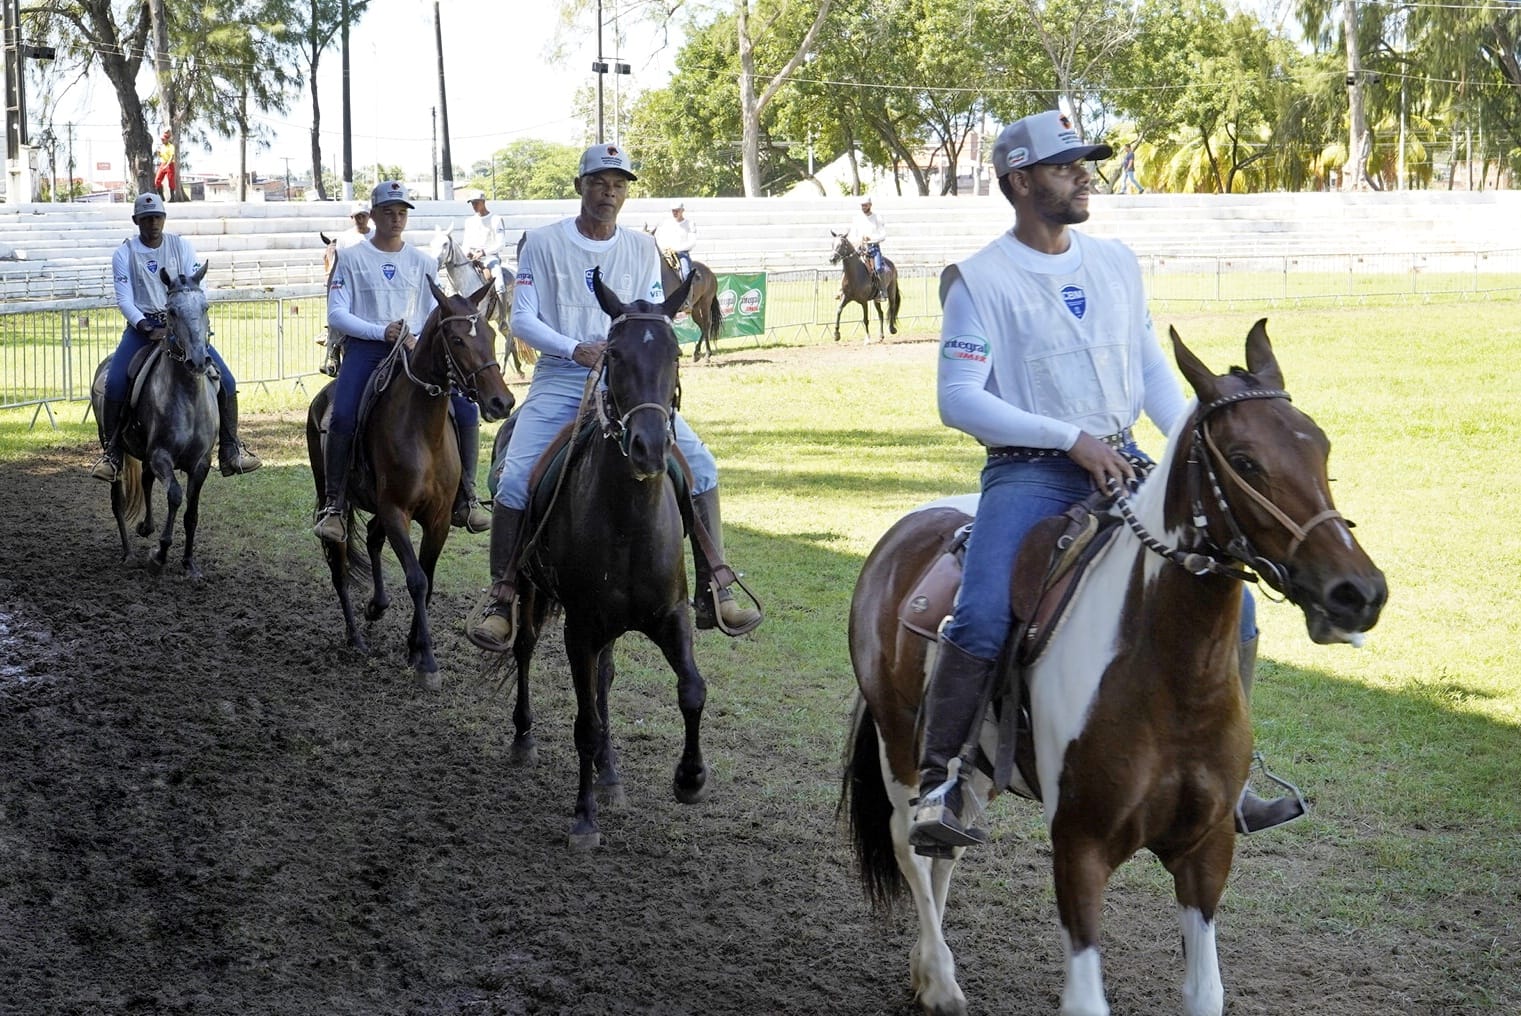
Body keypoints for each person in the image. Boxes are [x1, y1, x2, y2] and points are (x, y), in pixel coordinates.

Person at [908, 109, 1301, 853]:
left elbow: (1147, 367)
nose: (1083, 174)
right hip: (1030, 476)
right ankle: (942, 780)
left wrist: (1196, 441)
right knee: (986, 612)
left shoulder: (1115, 261)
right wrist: (1070, 439)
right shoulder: (978, 280)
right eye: (1063, 166)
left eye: (1082, 162)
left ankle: (1232, 772)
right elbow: (957, 399)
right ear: (1019, 182)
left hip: (1126, 463)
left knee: (1232, 599)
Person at [466, 143, 760, 651]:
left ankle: (716, 583)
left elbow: (647, 311)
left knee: (702, 468)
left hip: (623, 384)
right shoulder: (541, 242)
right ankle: (504, 595)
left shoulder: (640, 247)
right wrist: (573, 348)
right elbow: (522, 319)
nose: (610, 192)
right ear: (580, 186)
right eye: (600, 183)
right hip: (560, 378)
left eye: (619, 184)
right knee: (514, 477)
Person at [314, 180, 491, 540]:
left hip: (414, 350)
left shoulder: (423, 261)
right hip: (367, 349)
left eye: (401, 212)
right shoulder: (349, 258)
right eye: (388, 212)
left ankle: (467, 497)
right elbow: (337, 314)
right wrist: (381, 332)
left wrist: (416, 337)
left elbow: (431, 312)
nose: (396, 219)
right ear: (374, 215)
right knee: (343, 412)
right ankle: (334, 505)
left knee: (467, 409)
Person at [93, 192, 261, 483]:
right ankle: (112, 453)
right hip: (143, 329)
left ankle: (231, 448)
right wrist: (145, 326)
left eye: (157, 217)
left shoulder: (180, 245)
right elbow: (124, 299)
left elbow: (196, 287)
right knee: (116, 381)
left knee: (228, 381)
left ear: (164, 219)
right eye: (146, 219)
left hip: (180, 325)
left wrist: (185, 323)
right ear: (136, 221)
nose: (153, 223)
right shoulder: (124, 254)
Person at [319, 202, 375, 377]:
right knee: (338, 314)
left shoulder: (377, 236)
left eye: (363, 215)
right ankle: (332, 354)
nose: (360, 219)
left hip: (373, 286)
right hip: (351, 285)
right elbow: (340, 265)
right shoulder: (343, 239)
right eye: (357, 216)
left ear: (369, 216)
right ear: (352, 218)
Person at [461, 188, 511, 308]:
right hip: (473, 257)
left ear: (483, 202)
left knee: (499, 282)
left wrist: (484, 252)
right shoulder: (469, 221)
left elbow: (500, 243)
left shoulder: (495, 219)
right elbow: (466, 242)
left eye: (476, 202)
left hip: (490, 258)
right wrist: (466, 252)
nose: (473, 205)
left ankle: (503, 318)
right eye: (472, 203)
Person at [846, 195, 888, 296]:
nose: (863, 207)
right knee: (848, 265)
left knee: (878, 268)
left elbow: (883, 235)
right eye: (862, 205)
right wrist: (860, 239)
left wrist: (871, 238)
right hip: (860, 248)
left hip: (873, 248)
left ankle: (883, 291)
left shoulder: (877, 217)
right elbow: (852, 235)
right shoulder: (857, 218)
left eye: (865, 205)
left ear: (870, 205)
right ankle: (843, 289)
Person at [653, 201, 697, 280]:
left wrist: (676, 249)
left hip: (682, 254)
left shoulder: (689, 224)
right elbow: (660, 239)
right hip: (667, 254)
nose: (675, 213)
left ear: (682, 211)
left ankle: (687, 291)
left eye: (677, 210)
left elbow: (692, 242)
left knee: (685, 274)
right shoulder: (667, 223)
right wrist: (664, 248)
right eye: (673, 210)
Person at [154, 130, 177, 200]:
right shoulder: (162, 146)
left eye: (163, 139)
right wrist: (158, 153)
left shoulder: (171, 146)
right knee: (157, 180)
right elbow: (160, 156)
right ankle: (161, 197)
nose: (162, 140)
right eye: (161, 139)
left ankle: (172, 198)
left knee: (171, 181)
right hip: (162, 163)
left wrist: (167, 165)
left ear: (167, 139)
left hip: (170, 164)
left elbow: (172, 156)